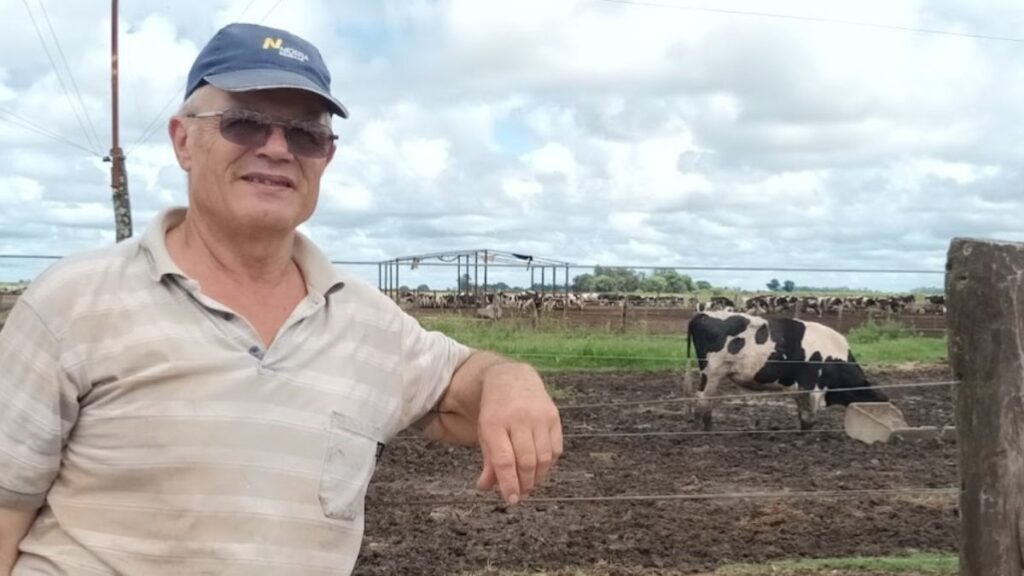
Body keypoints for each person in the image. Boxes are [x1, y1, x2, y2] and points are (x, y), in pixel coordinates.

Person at [0, 22, 562, 575]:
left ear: (326, 157)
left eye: (305, 133)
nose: (276, 149)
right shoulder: (72, 304)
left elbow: (459, 384)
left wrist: (509, 379)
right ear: (183, 141)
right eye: (244, 123)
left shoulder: (366, 322)